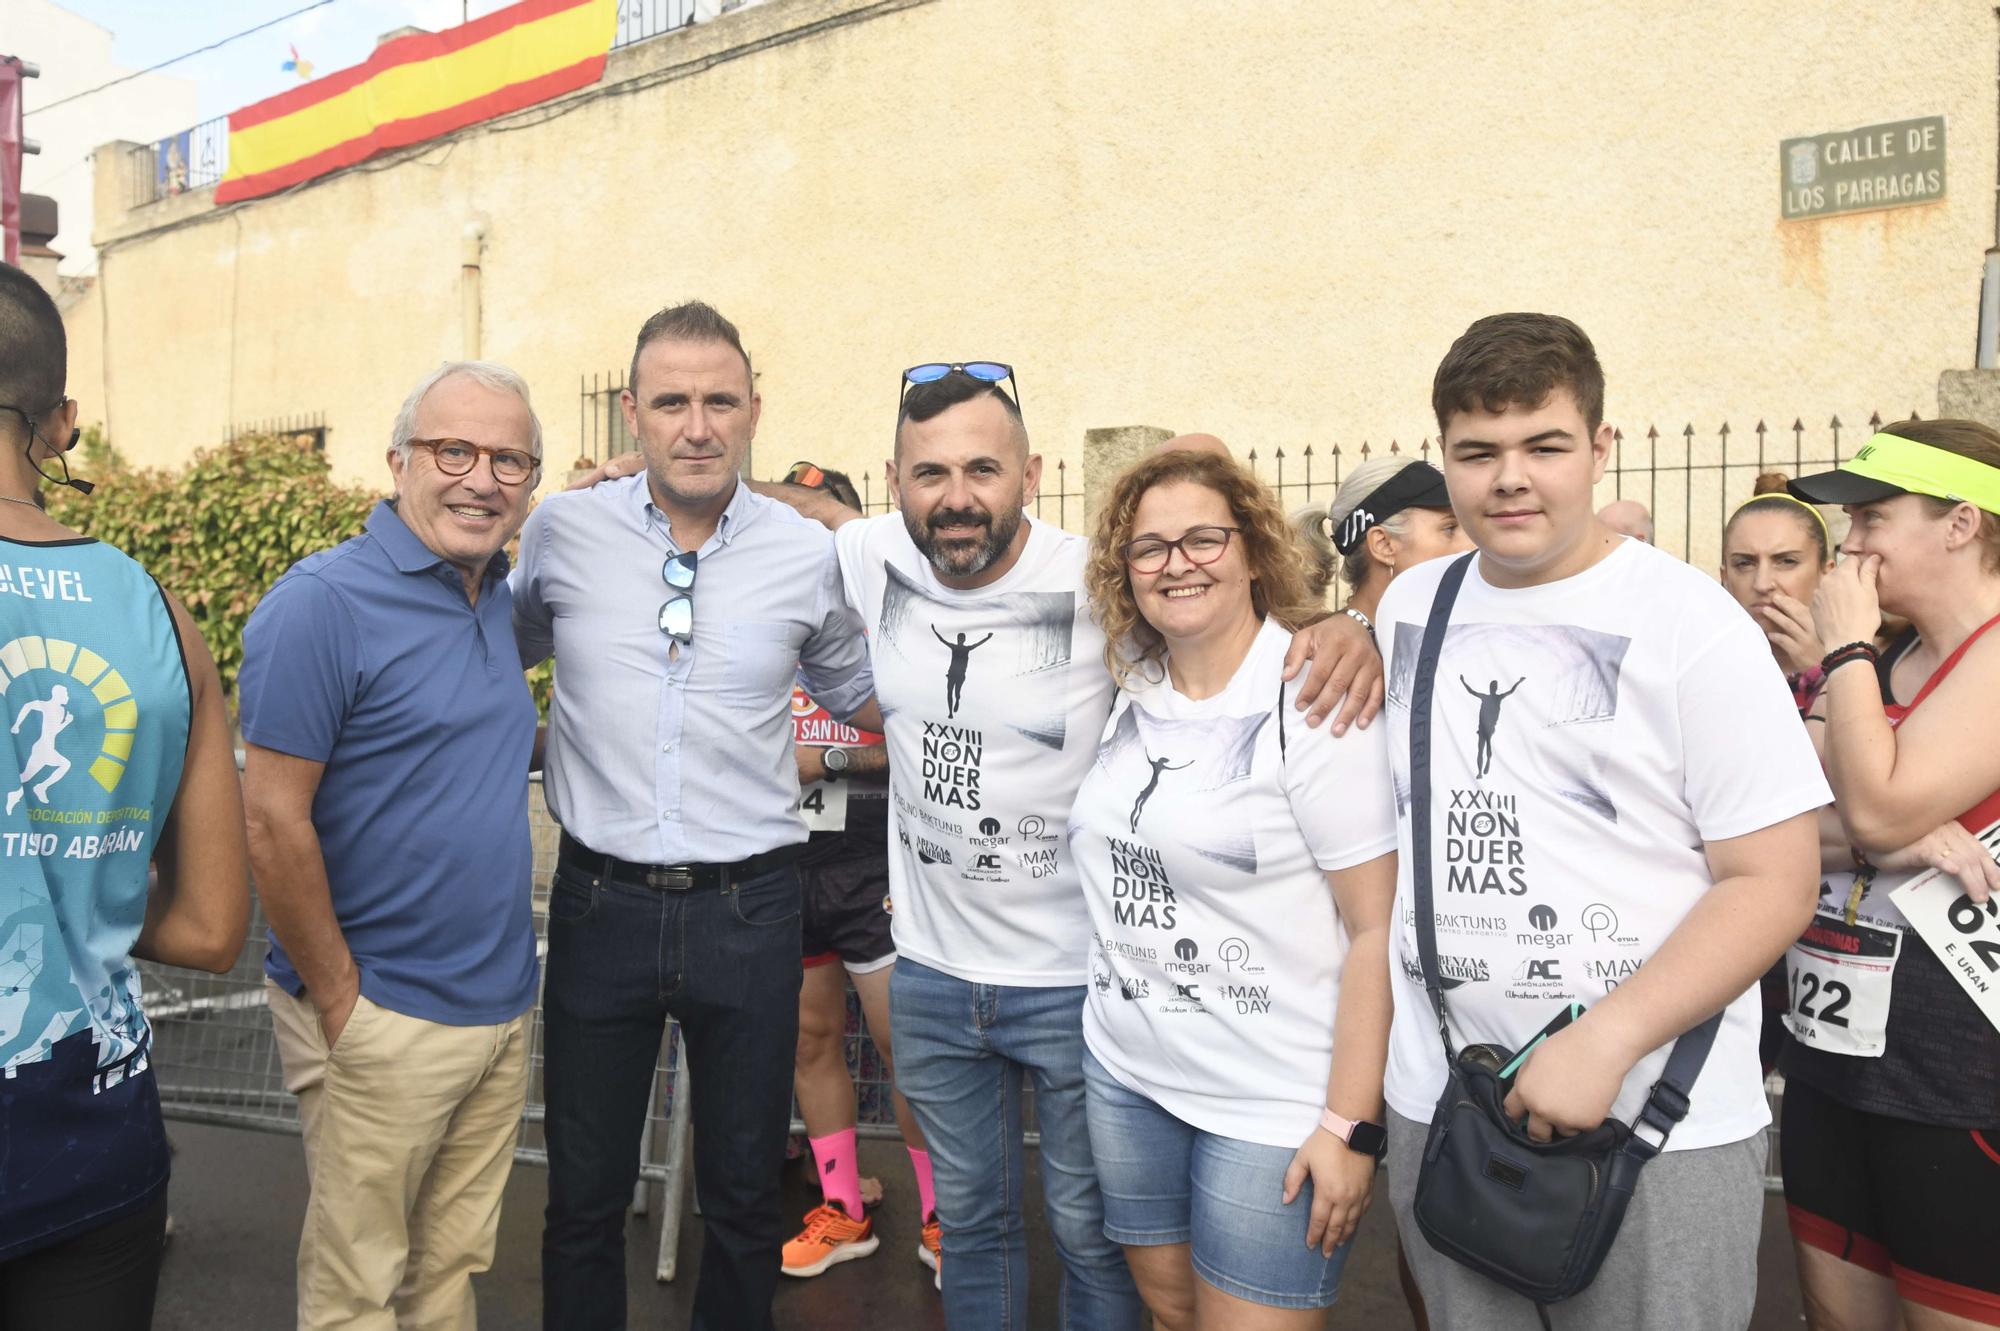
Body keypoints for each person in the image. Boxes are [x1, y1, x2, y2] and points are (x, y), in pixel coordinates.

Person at [746, 365, 1382, 1330]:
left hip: (1077, 980)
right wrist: (636, 472)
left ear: (1031, 474)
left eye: (982, 470)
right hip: (931, 969)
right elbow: (779, 512)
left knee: (1091, 1237)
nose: (956, 497)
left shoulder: (1100, 581)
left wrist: (1350, 625)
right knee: (970, 1224)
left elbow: (1221, 614)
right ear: (893, 479)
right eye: (928, 474)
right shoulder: (874, 553)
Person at [1377, 313, 1828, 1330]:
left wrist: (1604, 1041)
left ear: (1598, 447)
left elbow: (1773, 878)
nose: (1509, 478)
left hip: (1650, 1117)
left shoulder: (1692, 622)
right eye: (1475, 451)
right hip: (1445, 1102)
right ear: (1440, 458)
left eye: (1542, 445)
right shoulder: (1407, 607)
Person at [514, 302, 878, 1331]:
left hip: (752, 908)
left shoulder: (805, 553)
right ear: (634, 412)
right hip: (598, 903)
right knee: (581, 1199)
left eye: (720, 400)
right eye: (671, 401)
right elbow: (494, 651)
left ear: (753, 409)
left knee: (741, 1198)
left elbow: (861, 694)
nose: (697, 424)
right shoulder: (562, 530)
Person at [239, 361, 546, 1330]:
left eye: (509, 459)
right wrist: (341, 999)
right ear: (397, 459)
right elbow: (270, 818)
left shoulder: (492, 596)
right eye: (453, 449)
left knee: (447, 1274)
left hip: (498, 1009)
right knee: (357, 1289)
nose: (480, 478)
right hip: (381, 1012)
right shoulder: (321, 605)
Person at [1073, 447, 1399, 1330]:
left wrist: (1350, 1126)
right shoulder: (1127, 681)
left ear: (1253, 550)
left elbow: (1377, 929)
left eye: (1203, 538)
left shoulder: (1313, 696)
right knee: (1172, 1314)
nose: (1177, 562)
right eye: (1150, 547)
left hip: (1272, 1102)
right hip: (1129, 1075)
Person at [0, 260, 250, 1328]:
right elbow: (208, 927)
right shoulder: (160, 616)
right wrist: (78, 891)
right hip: (94, 1149)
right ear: (61, 424)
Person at [1778, 419, 2000, 1331]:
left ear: (1960, 521)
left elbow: (1866, 810)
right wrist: (1890, 836)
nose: (1852, 545)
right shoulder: (1891, 658)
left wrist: (1842, 654)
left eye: (1871, 518)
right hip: (1836, 1066)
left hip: (1961, 1088)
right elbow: (1784, 831)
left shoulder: (1923, 656)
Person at [778, 464, 941, 1285]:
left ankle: (943, 1217)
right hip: (791, 862)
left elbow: (907, 734)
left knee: (902, 1049)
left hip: (874, 862)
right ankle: (844, 1209)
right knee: (811, 1040)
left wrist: (819, 757)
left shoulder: (887, 615)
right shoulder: (770, 614)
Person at [1721, 482, 1836, 716]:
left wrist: (1826, 673)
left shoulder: (1868, 663)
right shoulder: (1700, 664)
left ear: (1826, 572)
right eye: (1744, 563)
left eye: (1786, 561)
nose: (1763, 584)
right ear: (1724, 577)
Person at [1322, 456, 1471, 635]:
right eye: (1450, 529)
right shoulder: (1324, 658)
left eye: (1469, 526)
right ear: (1383, 545)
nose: (1473, 545)